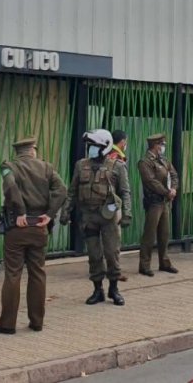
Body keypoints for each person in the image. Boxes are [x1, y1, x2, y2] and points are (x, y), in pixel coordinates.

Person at [0, 137, 66, 335]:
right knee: (38, 273)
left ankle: (7, 324)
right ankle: (37, 321)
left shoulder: (9, 166)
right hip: (39, 226)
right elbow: (62, 190)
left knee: (13, 274)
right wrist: (49, 215)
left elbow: (10, 187)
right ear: (32, 150)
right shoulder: (47, 168)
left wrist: (20, 211)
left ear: (18, 152)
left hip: (17, 225)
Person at [62, 130, 133, 306]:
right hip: (89, 216)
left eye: (96, 146)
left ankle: (114, 289)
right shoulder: (81, 165)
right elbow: (72, 191)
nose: (92, 149)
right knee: (94, 255)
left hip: (108, 216)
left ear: (105, 147)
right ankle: (97, 290)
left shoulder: (117, 166)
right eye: (91, 146)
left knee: (111, 253)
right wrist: (65, 211)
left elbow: (125, 193)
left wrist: (127, 214)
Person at [138, 134, 179, 276]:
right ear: (155, 145)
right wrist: (167, 192)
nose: (163, 147)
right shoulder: (145, 162)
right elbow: (151, 182)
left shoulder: (164, 160)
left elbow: (174, 175)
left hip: (164, 201)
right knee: (149, 234)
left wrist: (173, 189)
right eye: (162, 144)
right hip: (154, 201)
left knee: (164, 234)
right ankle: (144, 265)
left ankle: (164, 263)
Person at [106, 129, 130, 282]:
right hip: (113, 204)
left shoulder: (105, 155)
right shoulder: (117, 159)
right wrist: (127, 211)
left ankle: (107, 267)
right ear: (122, 142)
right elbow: (124, 188)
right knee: (114, 237)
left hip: (104, 204)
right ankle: (114, 270)